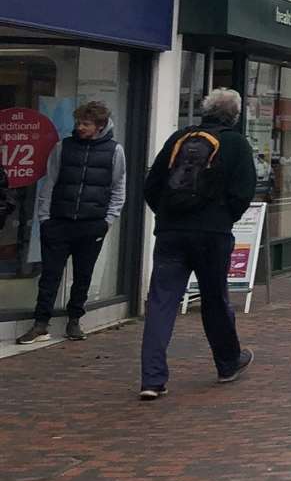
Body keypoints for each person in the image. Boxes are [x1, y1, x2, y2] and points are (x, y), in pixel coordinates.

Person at [138, 89, 257, 400]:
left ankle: (152, 379)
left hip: (171, 233)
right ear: (235, 115)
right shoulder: (236, 143)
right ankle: (227, 364)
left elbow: (151, 186)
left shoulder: (180, 138)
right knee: (214, 299)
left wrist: (167, 215)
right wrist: (223, 217)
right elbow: (244, 192)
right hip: (212, 235)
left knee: (161, 303)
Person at [17, 101, 126, 344]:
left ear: (99, 126)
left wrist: (107, 220)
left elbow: (119, 187)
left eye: (85, 124)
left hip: (92, 223)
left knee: (83, 275)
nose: (79, 128)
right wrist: (45, 218)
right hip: (59, 222)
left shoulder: (114, 151)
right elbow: (50, 182)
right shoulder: (63, 147)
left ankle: (74, 320)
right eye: (78, 123)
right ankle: (40, 323)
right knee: (50, 276)